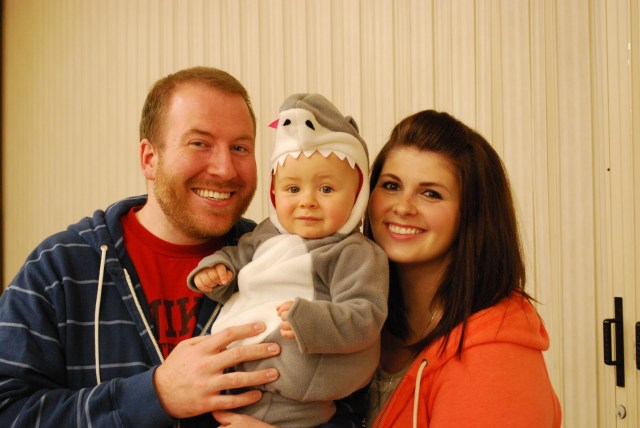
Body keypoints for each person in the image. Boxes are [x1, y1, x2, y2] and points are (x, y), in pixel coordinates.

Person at [0, 67, 359, 427]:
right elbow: (8, 410)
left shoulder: (296, 255)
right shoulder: (59, 269)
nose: (225, 169)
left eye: (239, 148)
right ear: (149, 158)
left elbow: (354, 405)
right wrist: (154, 394)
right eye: (199, 143)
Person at [187, 93, 389, 427]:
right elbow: (237, 258)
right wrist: (219, 272)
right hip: (237, 374)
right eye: (293, 190)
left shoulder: (353, 253)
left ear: (357, 195)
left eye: (326, 189)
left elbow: (365, 316)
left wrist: (310, 320)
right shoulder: (264, 234)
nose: (307, 202)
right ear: (274, 193)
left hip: (295, 386)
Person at [363, 110, 562, 427]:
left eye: (431, 193)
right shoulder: (360, 317)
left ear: (473, 214)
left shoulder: (495, 356)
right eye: (391, 185)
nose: (402, 206)